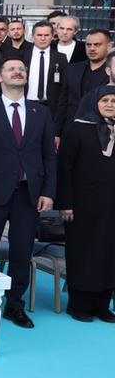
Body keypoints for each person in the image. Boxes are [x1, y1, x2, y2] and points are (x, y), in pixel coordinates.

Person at [0, 58, 55, 329]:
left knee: (21, 251)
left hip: (29, 194)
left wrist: (48, 192)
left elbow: (49, 157)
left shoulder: (41, 112)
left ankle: (15, 304)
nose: (18, 72)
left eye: (21, 69)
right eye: (11, 69)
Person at [57, 85, 115, 322]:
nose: (110, 104)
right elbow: (65, 168)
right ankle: (79, 305)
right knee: (83, 253)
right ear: (95, 103)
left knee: (109, 254)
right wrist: (66, 203)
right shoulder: (78, 128)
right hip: (81, 205)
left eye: (114, 100)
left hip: (111, 206)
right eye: (105, 100)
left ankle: (103, 305)